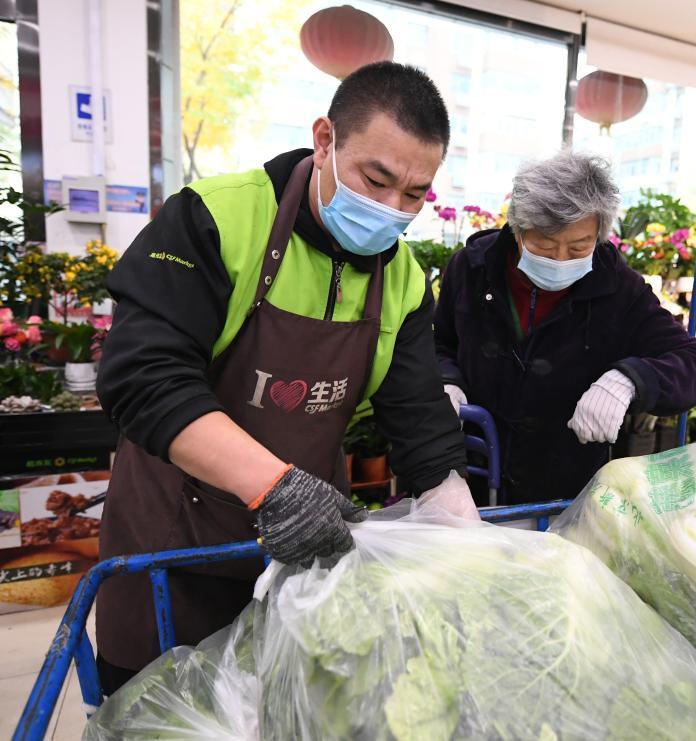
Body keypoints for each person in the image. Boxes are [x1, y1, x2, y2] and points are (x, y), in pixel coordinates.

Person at [94, 62, 474, 694]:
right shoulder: (216, 219)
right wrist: (273, 487)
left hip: (305, 559)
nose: (391, 210)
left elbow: (418, 416)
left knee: (290, 707)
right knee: (162, 714)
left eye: (414, 195)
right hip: (173, 549)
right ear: (325, 139)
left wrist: (458, 522)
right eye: (374, 180)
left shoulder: (402, 277)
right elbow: (143, 375)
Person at [434, 151, 696, 505]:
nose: (560, 260)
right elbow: (440, 344)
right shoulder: (472, 270)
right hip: (469, 479)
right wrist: (447, 382)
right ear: (517, 231)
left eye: (578, 247)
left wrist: (631, 379)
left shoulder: (619, 289)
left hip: (564, 495)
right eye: (544, 245)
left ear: (598, 236)